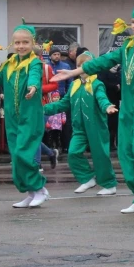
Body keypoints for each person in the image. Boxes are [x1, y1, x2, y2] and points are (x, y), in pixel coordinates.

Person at [54, 3, 134, 213]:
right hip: (128, 108)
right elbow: (103, 61)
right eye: (133, 21)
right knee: (126, 153)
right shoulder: (127, 47)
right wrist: (74, 72)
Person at [0, 21, 50, 208]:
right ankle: (31, 192)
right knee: (16, 156)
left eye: (25, 43)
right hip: (13, 117)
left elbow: (34, 76)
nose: (21, 46)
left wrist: (32, 87)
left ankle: (40, 189)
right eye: (18, 43)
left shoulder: (34, 63)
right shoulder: (9, 65)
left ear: (32, 44)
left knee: (24, 154)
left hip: (30, 116)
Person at [44, 51, 119, 195]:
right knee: (73, 153)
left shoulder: (97, 84)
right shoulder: (74, 85)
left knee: (100, 156)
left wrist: (107, 106)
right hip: (79, 128)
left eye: (86, 65)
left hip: (96, 127)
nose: (82, 68)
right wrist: (43, 109)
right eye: (79, 65)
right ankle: (87, 178)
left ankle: (109, 184)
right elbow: (63, 104)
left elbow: (102, 98)